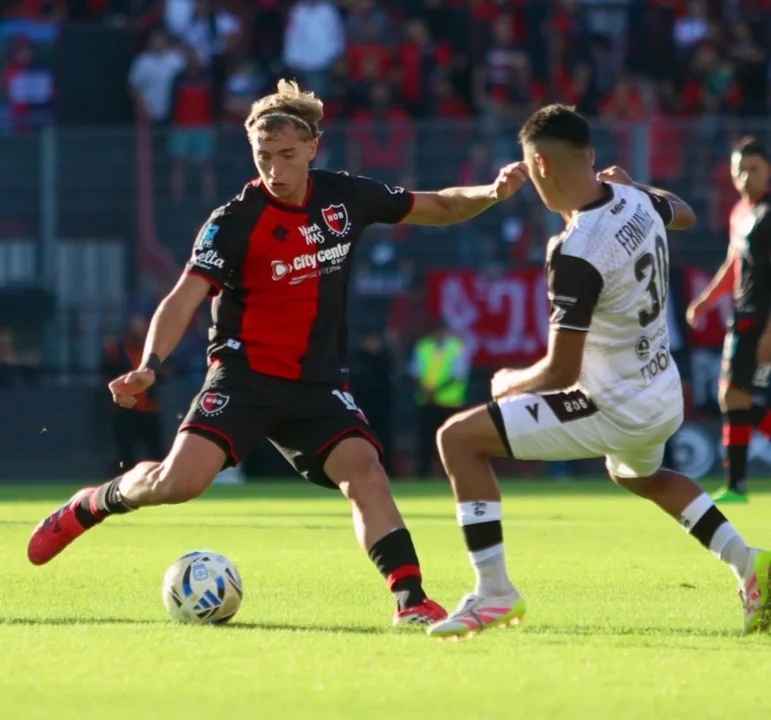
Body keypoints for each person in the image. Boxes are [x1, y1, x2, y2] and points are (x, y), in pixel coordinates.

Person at [27, 79, 527, 628]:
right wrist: (149, 365)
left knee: (364, 470)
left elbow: (435, 206)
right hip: (242, 378)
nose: (276, 170)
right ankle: (93, 503)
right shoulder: (233, 220)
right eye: (264, 157)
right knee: (179, 484)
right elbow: (183, 296)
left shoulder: (345, 196)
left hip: (317, 383)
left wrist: (492, 194)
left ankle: (411, 599)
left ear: (313, 147)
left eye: (288, 155)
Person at [425, 105, 770, 639]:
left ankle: (493, 592)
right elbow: (685, 213)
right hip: (661, 389)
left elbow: (562, 370)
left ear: (539, 164)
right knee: (639, 475)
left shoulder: (575, 249)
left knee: (458, 440)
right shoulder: (636, 199)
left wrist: (511, 380)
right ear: (590, 155)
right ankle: (750, 563)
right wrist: (637, 186)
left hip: (613, 402)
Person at [686, 138, 771, 504]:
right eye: (740, 170)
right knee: (734, 396)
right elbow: (733, 265)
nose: (746, 176)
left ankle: (736, 485)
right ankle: (736, 485)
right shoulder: (740, 213)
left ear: (768, 170)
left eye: (753, 168)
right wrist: (706, 301)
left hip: (764, 318)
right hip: (744, 314)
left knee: (734, 396)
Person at [102, 313, 165, 471]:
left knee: (157, 452)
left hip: (149, 409)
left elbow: (167, 370)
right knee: (125, 454)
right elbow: (106, 373)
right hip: (124, 410)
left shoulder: (152, 350)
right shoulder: (115, 349)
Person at [410, 320, 470, 478]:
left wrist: (434, 392)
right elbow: (415, 372)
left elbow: (458, 376)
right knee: (425, 441)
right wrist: (425, 391)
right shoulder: (423, 346)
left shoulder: (456, 347)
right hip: (427, 403)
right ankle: (423, 474)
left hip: (449, 403)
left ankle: (450, 475)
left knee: (450, 442)